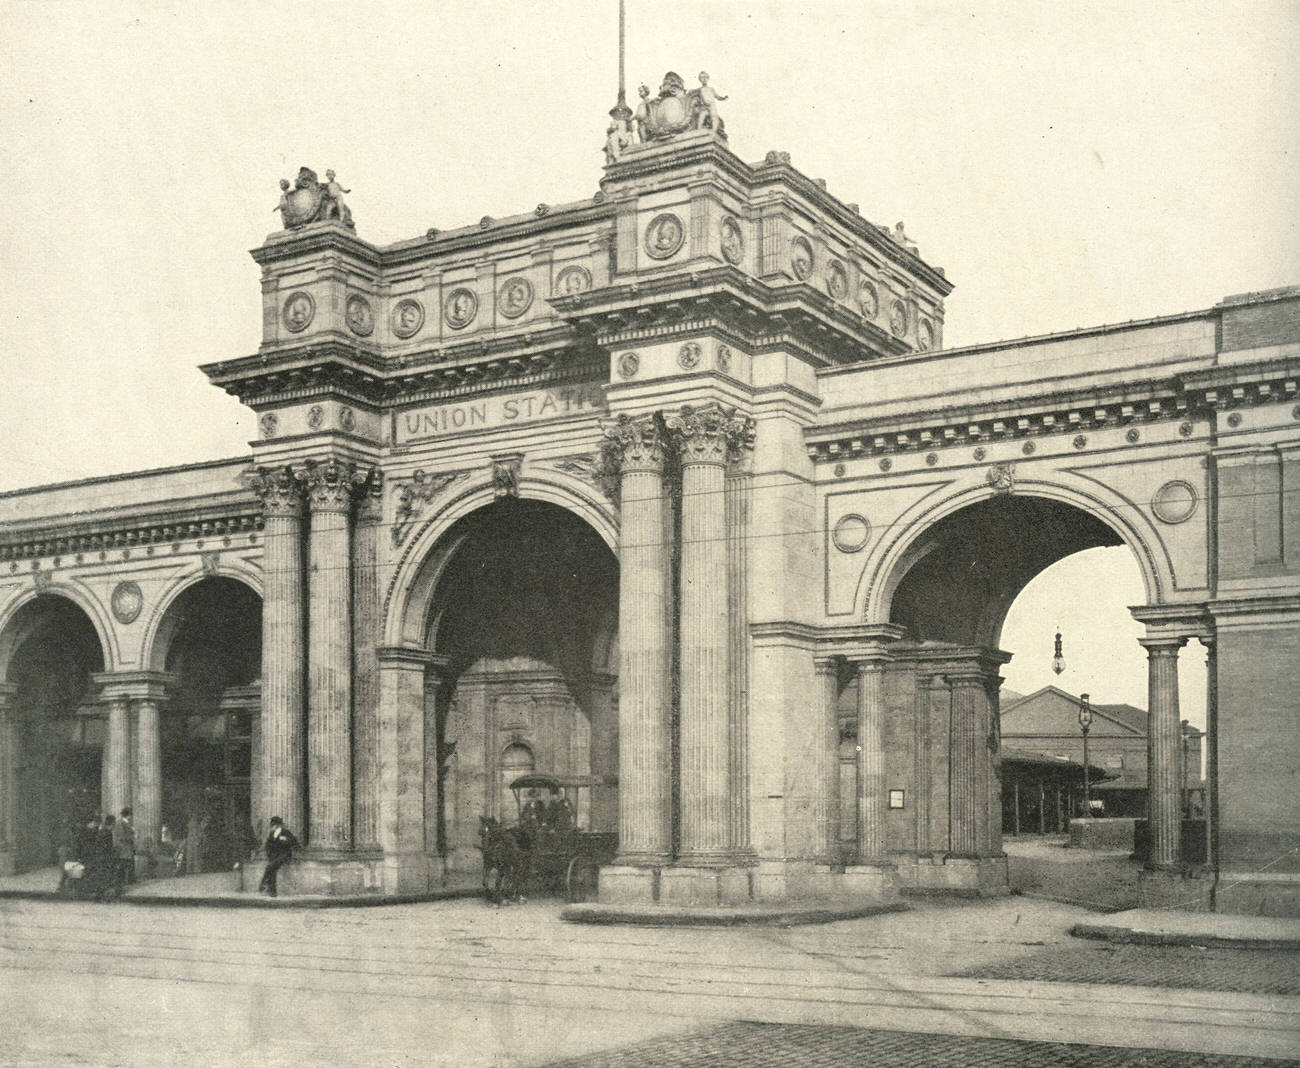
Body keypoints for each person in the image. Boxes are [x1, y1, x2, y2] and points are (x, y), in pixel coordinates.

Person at [259, 816, 298, 897]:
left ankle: (263, 882)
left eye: (275, 825)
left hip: (284, 855)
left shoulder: (286, 832)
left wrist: (284, 840)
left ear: (279, 825)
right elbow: (268, 845)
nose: (273, 826)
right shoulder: (272, 833)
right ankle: (272, 892)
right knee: (272, 870)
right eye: (273, 825)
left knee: (270, 866)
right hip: (274, 856)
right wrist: (269, 854)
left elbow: (294, 843)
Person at [113, 807, 136, 890]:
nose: (131, 816)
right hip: (123, 848)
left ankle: (125, 883)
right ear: (128, 815)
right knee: (122, 866)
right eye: (130, 814)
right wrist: (133, 836)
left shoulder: (126, 823)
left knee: (126, 865)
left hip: (127, 848)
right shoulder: (120, 823)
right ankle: (120, 885)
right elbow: (122, 836)